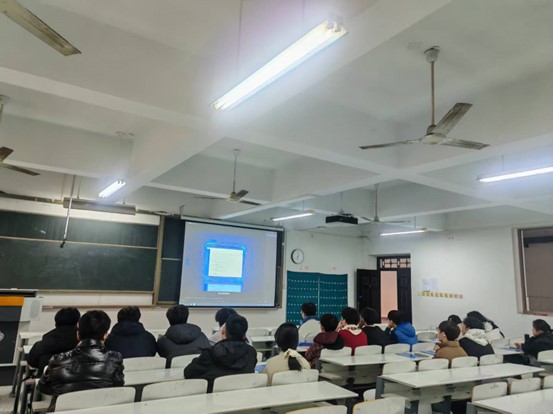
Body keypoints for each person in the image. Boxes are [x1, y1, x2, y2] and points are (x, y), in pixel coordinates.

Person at [38, 310, 124, 409]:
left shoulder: (58, 360)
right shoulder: (115, 359)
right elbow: (118, 386)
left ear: (78, 335)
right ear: (105, 335)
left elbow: (43, 387)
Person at [183, 314, 257, 392]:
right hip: (243, 396)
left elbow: (188, 372)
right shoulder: (251, 352)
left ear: (224, 331)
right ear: (244, 335)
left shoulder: (210, 353)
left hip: (213, 397)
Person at [28, 308, 80, 374]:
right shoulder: (83, 343)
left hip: (48, 378)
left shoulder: (45, 341)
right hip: (78, 378)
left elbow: (31, 362)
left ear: (56, 323)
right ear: (77, 323)